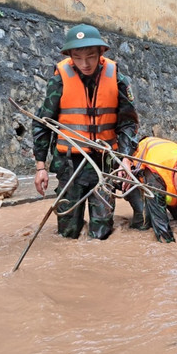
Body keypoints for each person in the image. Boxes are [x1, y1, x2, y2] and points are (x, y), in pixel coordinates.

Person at [31, 24, 139, 240]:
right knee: (67, 232)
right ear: (70, 56)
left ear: (101, 53)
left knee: (101, 231)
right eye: (78, 57)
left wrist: (125, 159)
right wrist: (40, 167)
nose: (85, 63)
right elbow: (43, 123)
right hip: (70, 165)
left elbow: (128, 123)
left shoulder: (117, 78)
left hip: (104, 163)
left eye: (90, 56)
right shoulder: (59, 79)